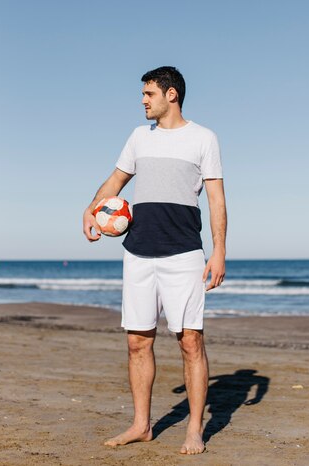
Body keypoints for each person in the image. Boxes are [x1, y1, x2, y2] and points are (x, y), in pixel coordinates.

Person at [83, 66, 227, 455]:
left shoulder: (203, 138)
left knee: (191, 342)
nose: (143, 100)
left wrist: (219, 250)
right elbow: (115, 180)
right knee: (137, 343)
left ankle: (194, 430)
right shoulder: (137, 138)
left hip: (183, 253)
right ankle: (141, 424)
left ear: (171, 95)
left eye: (149, 94)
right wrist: (91, 207)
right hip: (138, 253)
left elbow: (216, 199)